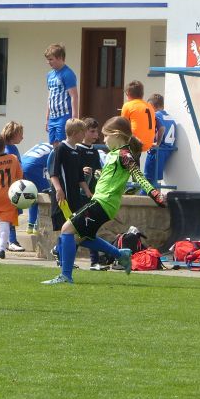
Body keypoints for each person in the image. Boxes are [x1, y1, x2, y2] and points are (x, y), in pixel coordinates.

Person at [42, 116, 166, 285]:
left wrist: (154, 193)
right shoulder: (115, 154)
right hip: (102, 202)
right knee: (82, 236)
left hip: (103, 202)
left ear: (116, 134)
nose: (104, 139)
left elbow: (138, 175)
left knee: (67, 229)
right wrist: (100, 176)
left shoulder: (124, 154)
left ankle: (66, 276)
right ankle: (121, 254)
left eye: (106, 135)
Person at [48, 118, 92, 261]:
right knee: (65, 227)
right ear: (74, 133)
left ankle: (59, 252)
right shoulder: (60, 148)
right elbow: (53, 173)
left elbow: (80, 177)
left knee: (75, 228)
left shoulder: (78, 150)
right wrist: (58, 190)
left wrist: (88, 192)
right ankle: (62, 259)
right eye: (82, 132)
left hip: (74, 196)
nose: (84, 135)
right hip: (63, 196)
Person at [78, 117, 104, 269]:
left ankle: (95, 261)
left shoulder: (95, 151)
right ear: (83, 132)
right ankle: (61, 254)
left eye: (97, 131)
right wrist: (80, 171)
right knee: (76, 228)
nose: (96, 135)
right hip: (78, 195)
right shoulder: (77, 149)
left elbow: (98, 169)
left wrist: (99, 173)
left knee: (90, 227)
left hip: (91, 194)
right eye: (92, 131)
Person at [44, 44, 78, 146]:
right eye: (48, 60)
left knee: (62, 144)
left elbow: (74, 96)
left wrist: (74, 118)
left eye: (51, 59)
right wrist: (47, 119)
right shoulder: (49, 75)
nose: (48, 62)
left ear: (59, 58)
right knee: (53, 145)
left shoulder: (67, 73)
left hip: (64, 115)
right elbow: (50, 97)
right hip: (52, 116)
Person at [20, 141, 54, 235]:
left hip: (22, 165)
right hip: (34, 167)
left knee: (33, 195)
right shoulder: (59, 148)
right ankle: (37, 226)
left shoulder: (41, 143)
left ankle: (30, 225)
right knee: (45, 194)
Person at [2, 120, 26, 252]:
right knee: (10, 214)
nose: (22, 137)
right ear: (13, 134)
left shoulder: (13, 148)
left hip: (15, 186)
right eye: (20, 134)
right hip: (9, 188)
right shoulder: (7, 151)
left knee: (13, 214)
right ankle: (12, 240)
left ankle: (3, 237)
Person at [121, 80, 156, 167]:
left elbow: (122, 125)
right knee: (135, 161)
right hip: (148, 143)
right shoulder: (149, 106)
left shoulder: (128, 105)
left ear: (128, 94)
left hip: (135, 143)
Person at [146, 93, 177, 189]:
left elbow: (161, 129)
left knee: (147, 179)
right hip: (167, 150)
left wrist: (157, 143)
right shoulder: (170, 117)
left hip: (157, 150)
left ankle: (144, 196)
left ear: (152, 106)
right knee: (154, 180)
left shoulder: (155, 115)